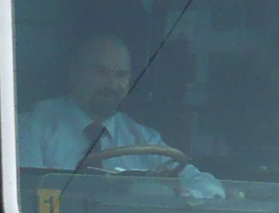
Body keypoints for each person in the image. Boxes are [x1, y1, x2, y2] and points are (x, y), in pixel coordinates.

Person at [18, 33, 225, 200]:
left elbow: (208, 186)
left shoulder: (143, 139)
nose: (111, 84)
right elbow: (27, 194)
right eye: (101, 72)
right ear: (75, 73)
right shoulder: (33, 127)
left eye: (121, 75)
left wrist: (178, 194)